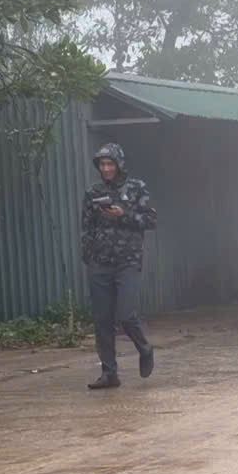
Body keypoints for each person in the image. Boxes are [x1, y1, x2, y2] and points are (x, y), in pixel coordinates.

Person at [81, 142, 157, 389]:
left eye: (110, 163)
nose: (106, 168)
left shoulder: (136, 188)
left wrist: (122, 214)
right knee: (102, 320)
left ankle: (145, 348)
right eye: (102, 164)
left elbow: (150, 219)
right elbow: (87, 226)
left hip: (128, 260)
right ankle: (109, 373)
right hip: (100, 263)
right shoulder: (93, 192)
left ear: (119, 164)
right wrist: (89, 255)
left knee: (125, 314)